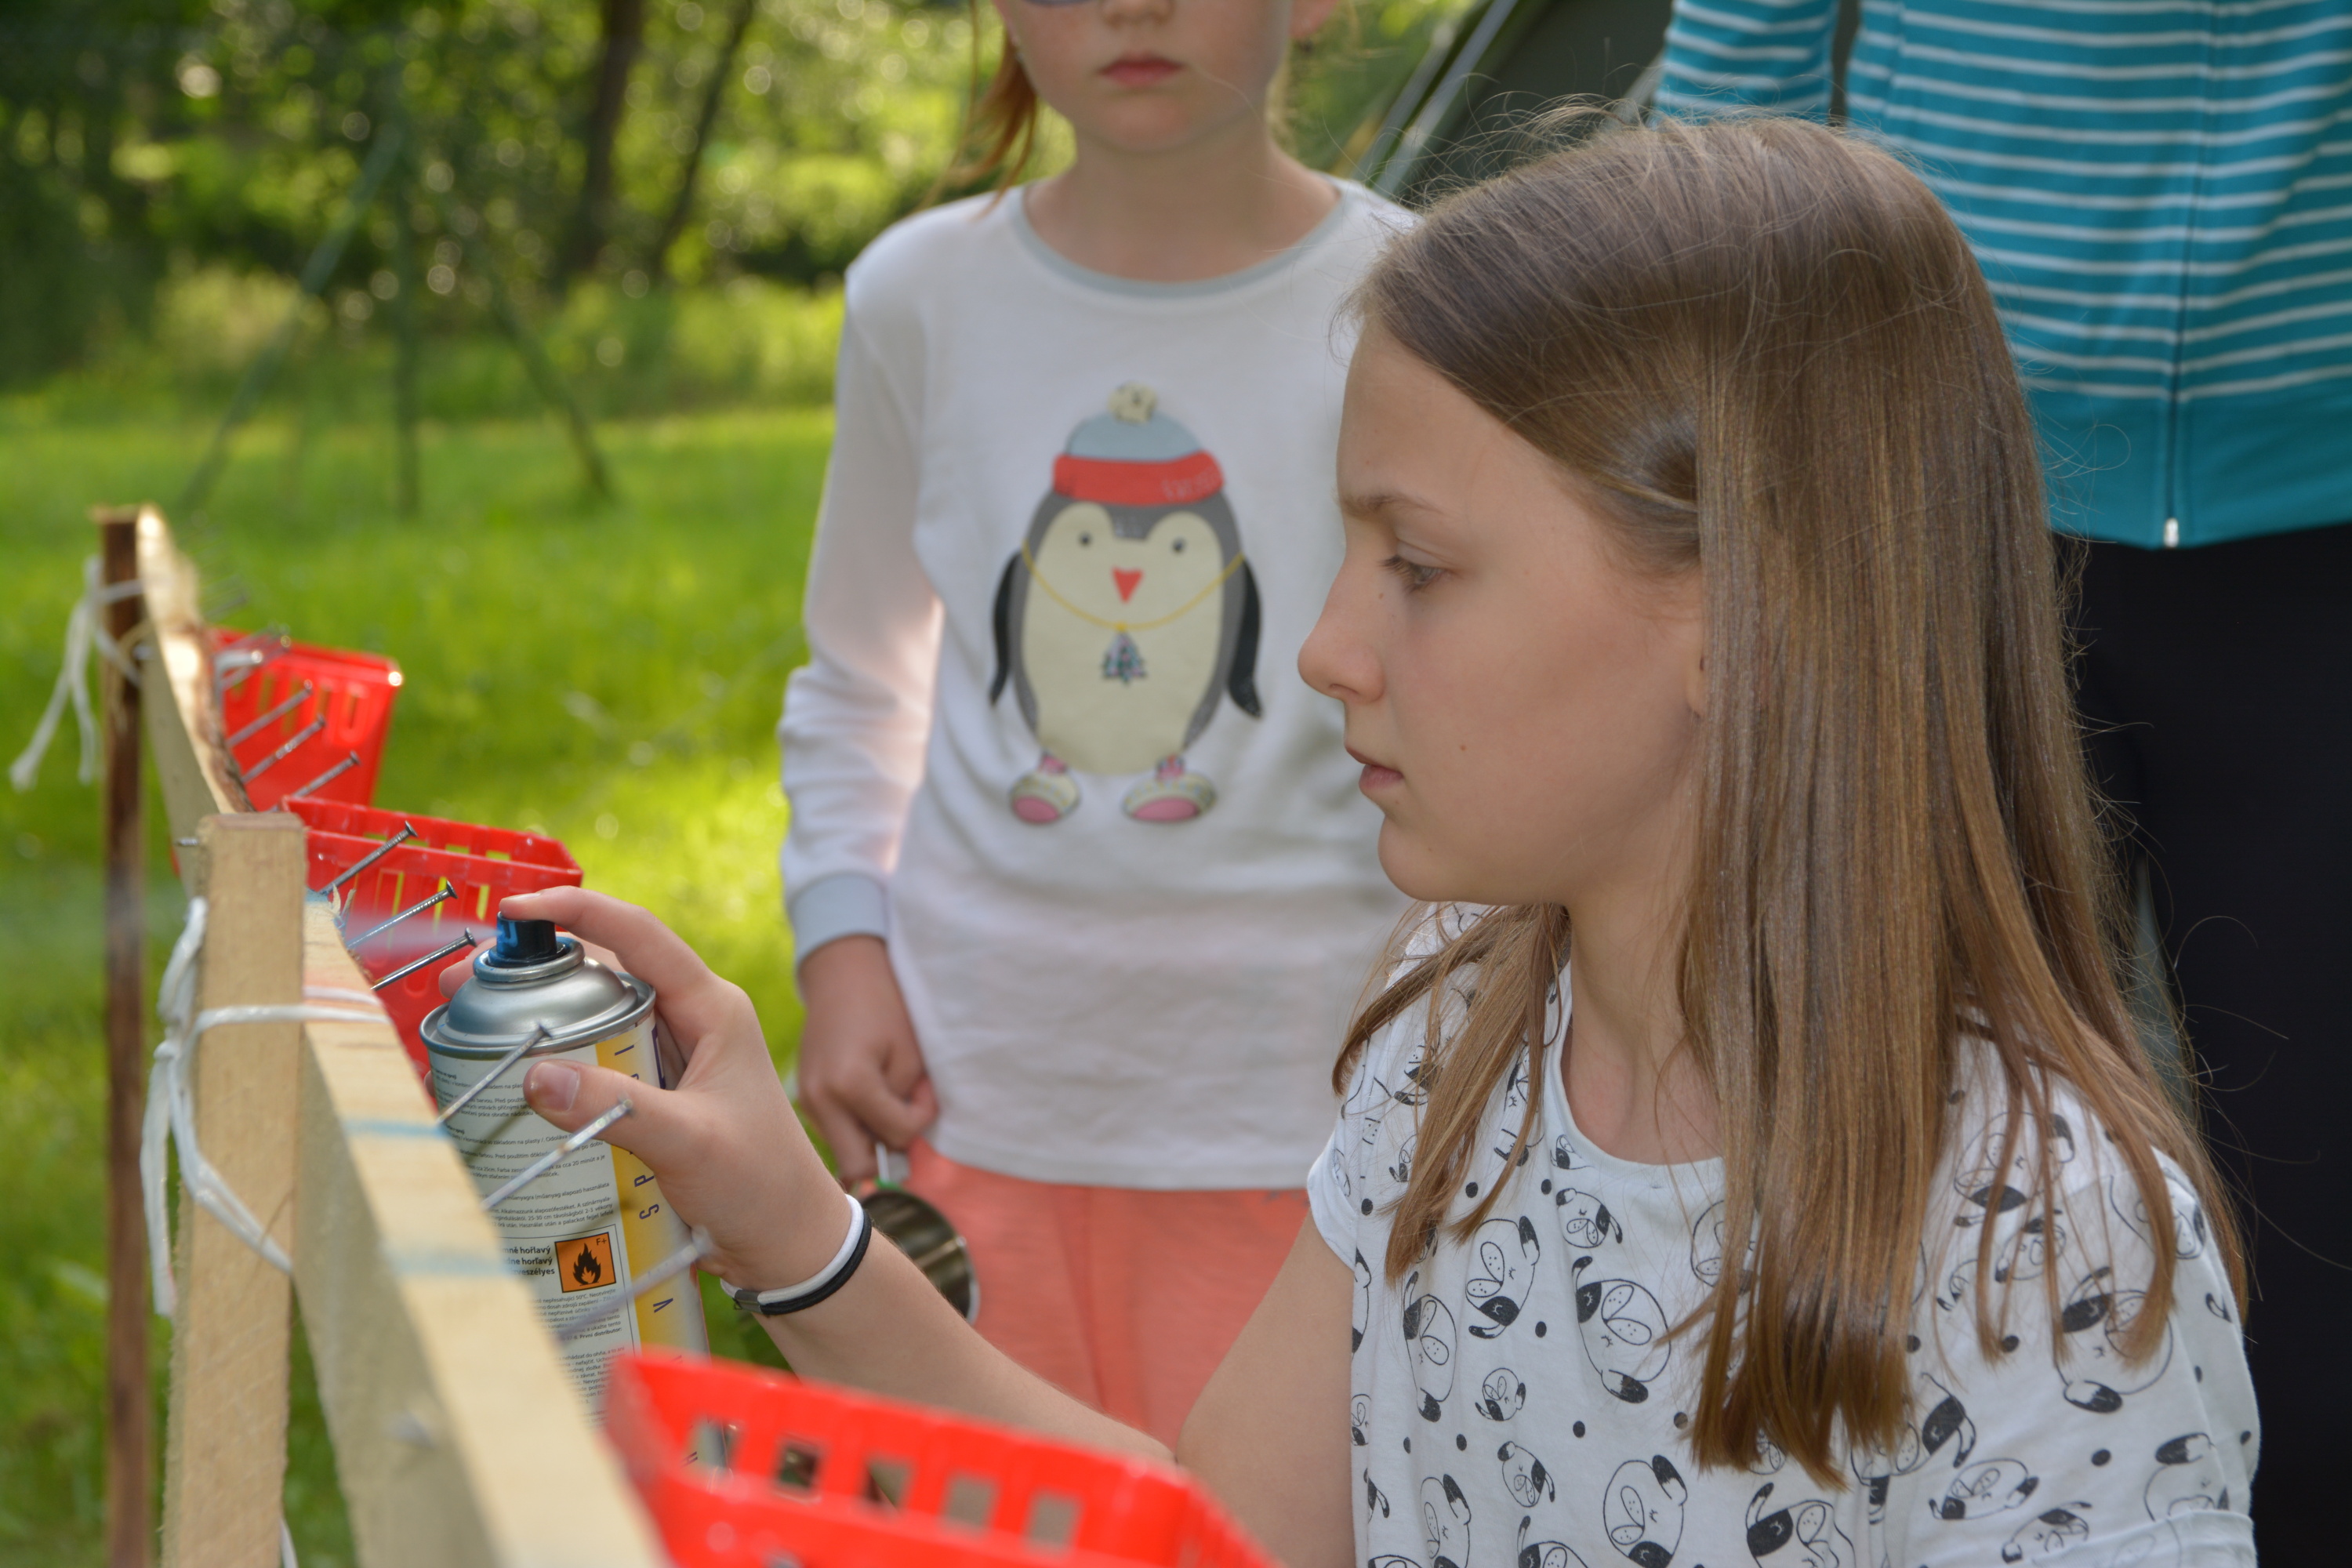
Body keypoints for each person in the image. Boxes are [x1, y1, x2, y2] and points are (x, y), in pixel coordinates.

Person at [528, 116, 2256, 1566]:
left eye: (1417, 567)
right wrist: (791, 1228)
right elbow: (1208, 1536)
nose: (1324, 650)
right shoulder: (1459, 1029)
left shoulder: (2050, 1253)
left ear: (1745, 612)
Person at [1655, 8, 2351, 1555]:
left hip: (2325, 504)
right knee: (1896, 1172)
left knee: (2327, 1260)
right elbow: (1748, 35)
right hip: (1933, 474)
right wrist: (1690, 404)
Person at [774, 0, 1409, 1445]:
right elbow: (860, 674)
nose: (1132, 6)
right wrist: (841, 946)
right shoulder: (916, 297)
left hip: (1315, 1117)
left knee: (1253, 1529)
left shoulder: (1420, 299)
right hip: (977, 1093)